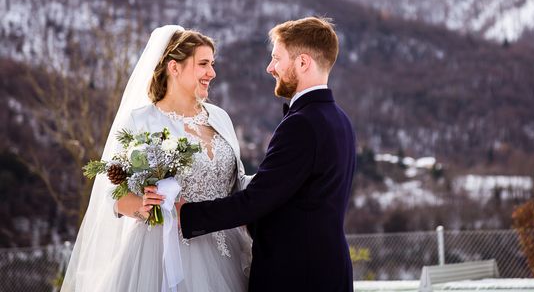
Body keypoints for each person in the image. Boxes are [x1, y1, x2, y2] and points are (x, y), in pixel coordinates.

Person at [62, 25, 252, 292]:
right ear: (174, 68)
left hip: (224, 245)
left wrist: (272, 183)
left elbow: (237, 180)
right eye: (203, 64)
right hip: (161, 251)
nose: (212, 73)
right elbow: (113, 196)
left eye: (212, 64)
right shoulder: (141, 120)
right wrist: (142, 205)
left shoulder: (220, 117)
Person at [178, 16, 357, 292]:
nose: (270, 68)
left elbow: (256, 201)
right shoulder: (340, 119)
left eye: (277, 58)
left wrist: (188, 215)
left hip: (296, 275)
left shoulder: (302, 124)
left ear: (303, 62)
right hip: (329, 270)